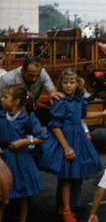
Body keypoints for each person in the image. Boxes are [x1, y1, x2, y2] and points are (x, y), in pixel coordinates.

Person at [37, 68, 106, 222]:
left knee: (73, 176)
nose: (69, 86)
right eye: (65, 82)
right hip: (65, 139)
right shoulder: (60, 101)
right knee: (66, 177)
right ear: (60, 84)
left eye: (72, 82)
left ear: (77, 84)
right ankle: (65, 210)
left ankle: (65, 208)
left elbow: (83, 115)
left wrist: (102, 114)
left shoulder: (80, 100)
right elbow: (55, 126)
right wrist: (65, 147)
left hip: (78, 138)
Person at [0, 84, 47, 222]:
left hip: (20, 158)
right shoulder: (1, 116)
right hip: (3, 159)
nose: (2, 99)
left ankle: (23, 219)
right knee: (2, 194)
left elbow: (42, 138)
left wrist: (23, 142)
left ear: (16, 101)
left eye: (5, 97)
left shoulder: (27, 118)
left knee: (23, 194)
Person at [0, 57, 65, 108]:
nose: (35, 79)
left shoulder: (42, 73)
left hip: (31, 113)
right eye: (31, 76)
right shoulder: (7, 79)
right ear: (23, 71)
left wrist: (53, 94)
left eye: (37, 76)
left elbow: (52, 91)